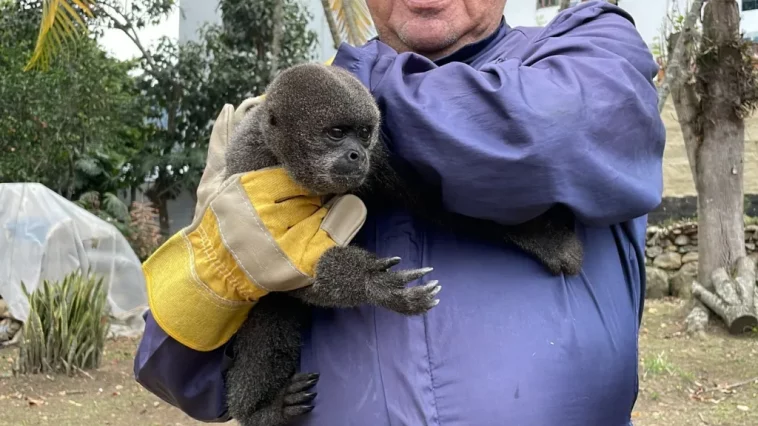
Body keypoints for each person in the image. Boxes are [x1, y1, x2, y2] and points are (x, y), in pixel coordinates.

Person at [133, 0, 665, 424]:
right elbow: (180, 378)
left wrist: (356, 79)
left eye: (360, 130)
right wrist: (218, 268)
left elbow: (537, 136)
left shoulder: (592, 46)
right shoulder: (283, 123)